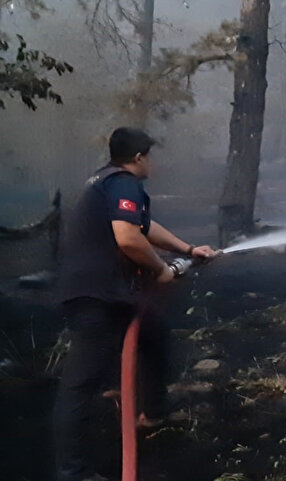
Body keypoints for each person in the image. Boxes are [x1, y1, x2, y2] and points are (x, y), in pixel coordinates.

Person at [53, 127, 216, 481]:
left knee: (154, 337)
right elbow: (128, 238)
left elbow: (142, 226)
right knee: (79, 384)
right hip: (97, 295)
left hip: (107, 292)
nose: (153, 163)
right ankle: (73, 473)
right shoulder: (124, 183)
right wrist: (159, 269)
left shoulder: (105, 181)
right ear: (139, 157)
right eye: (150, 156)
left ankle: (151, 413)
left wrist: (188, 250)